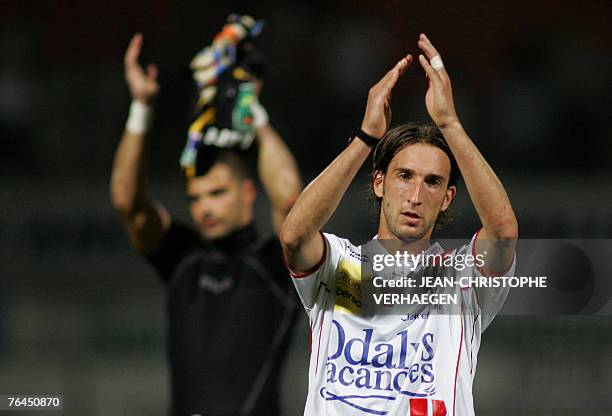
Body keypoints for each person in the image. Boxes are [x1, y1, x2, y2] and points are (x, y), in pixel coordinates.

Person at [280, 34, 518, 416]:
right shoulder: (338, 266)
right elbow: (294, 237)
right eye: (404, 176)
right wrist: (365, 139)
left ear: (447, 198)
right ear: (379, 183)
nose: (415, 194)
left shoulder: (460, 280)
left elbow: (503, 234)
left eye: (432, 182)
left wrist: (450, 123)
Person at [110, 30, 302, 416]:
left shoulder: (275, 264)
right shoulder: (183, 258)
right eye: (195, 198)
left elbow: (290, 199)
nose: (204, 208)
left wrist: (254, 112)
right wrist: (141, 108)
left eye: (217, 193)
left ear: (248, 192)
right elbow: (126, 201)